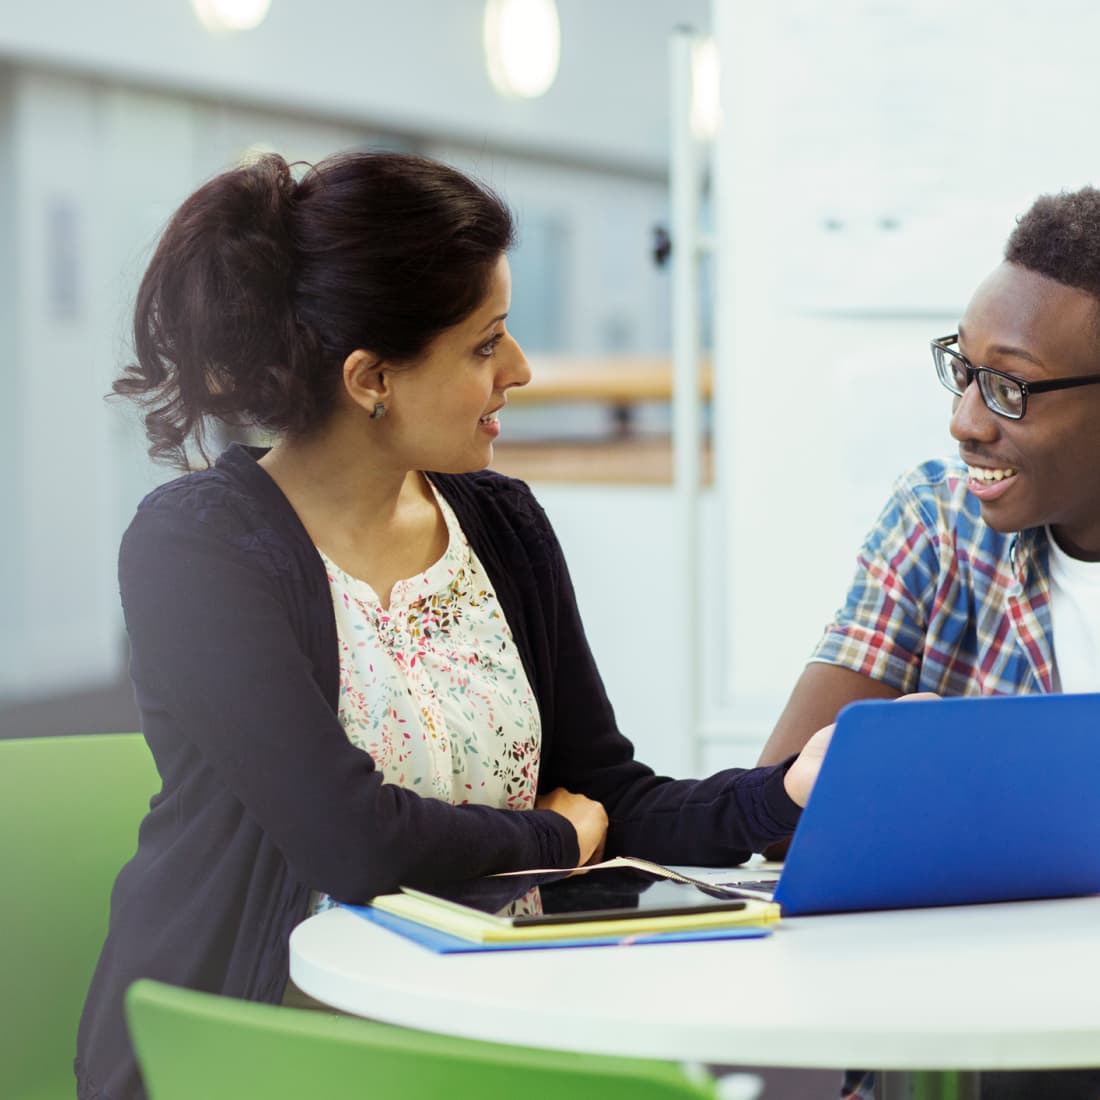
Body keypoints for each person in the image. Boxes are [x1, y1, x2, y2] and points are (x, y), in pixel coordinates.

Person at [76, 150, 836, 1100]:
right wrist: (554, 841)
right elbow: (352, 844)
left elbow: (609, 799)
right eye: (486, 345)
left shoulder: (502, 525)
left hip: (488, 1028)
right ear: (371, 378)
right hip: (268, 1050)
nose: (519, 371)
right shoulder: (199, 551)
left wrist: (787, 795)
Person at [758, 186, 1100, 1100]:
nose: (966, 422)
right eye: (963, 369)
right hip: (970, 1026)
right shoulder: (941, 521)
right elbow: (781, 805)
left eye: (1010, 387)